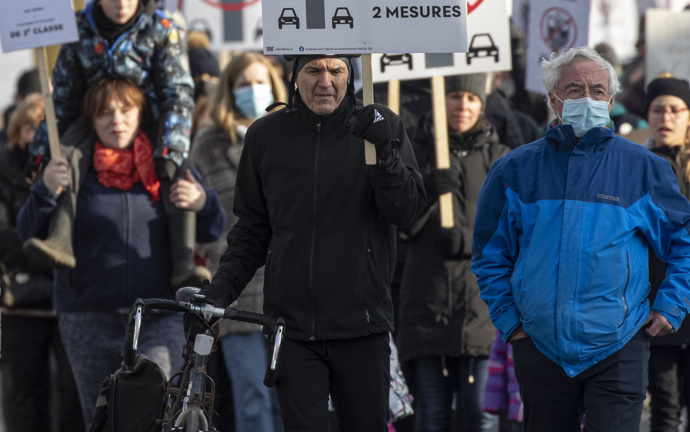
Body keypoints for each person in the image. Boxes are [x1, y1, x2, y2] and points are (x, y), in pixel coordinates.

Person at [472, 47, 690, 432]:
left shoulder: (644, 168)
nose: (588, 98)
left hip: (619, 346)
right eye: (575, 89)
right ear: (553, 99)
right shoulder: (514, 170)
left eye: (598, 91)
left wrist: (671, 307)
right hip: (540, 345)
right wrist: (510, 322)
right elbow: (489, 255)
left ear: (612, 101)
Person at [196, 54, 427, 432]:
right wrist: (221, 291)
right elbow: (252, 230)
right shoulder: (265, 136)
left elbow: (405, 211)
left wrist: (385, 154)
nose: (325, 81)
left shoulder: (381, 127)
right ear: (293, 76)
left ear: (350, 74)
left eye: (336, 70)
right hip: (292, 330)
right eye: (313, 70)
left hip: (362, 325)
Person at [16, 77, 224, 424]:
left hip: (158, 315)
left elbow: (213, 230)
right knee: (101, 418)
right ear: (90, 119)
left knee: (154, 413)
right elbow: (27, 231)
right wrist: (46, 190)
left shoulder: (169, 162)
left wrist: (203, 203)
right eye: (104, 112)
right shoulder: (71, 163)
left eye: (126, 109)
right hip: (87, 318)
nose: (116, 120)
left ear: (141, 113)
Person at [26, 0, 204, 287]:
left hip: (147, 118)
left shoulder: (162, 29)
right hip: (94, 117)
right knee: (68, 156)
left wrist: (171, 147)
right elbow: (62, 95)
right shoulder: (78, 28)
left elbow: (178, 93)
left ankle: (183, 259)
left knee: (179, 172)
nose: (121, 4)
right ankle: (60, 239)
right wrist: (40, 151)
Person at [398, 73, 508, 432]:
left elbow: (515, 231)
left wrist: (465, 240)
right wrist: (425, 190)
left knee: (480, 413)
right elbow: (399, 224)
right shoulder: (413, 150)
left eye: (472, 99)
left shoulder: (501, 159)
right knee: (432, 413)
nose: (463, 106)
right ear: (439, 101)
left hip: (482, 307)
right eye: (455, 96)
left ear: (482, 103)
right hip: (427, 303)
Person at [189, 52, 287, 432]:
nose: (253, 90)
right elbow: (204, 222)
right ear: (229, 91)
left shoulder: (286, 135)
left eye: (259, 81)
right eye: (243, 83)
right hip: (240, 291)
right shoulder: (209, 144)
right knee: (252, 399)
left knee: (288, 401)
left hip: (288, 290)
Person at [0, 95, 83, 432]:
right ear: (16, 131)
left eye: (45, 127)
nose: (37, 134)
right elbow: (5, 236)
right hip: (24, 301)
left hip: (69, 300)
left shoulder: (72, 167)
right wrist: (41, 248)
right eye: (30, 127)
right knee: (26, 392)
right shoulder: (4, 171)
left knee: (73, 393)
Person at [643, 75, 690, 432]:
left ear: (689, 114)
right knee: (664, 408)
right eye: (658, 110)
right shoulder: (638, 165)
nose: (666, 118)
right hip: (654, 300)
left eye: (675, 109)